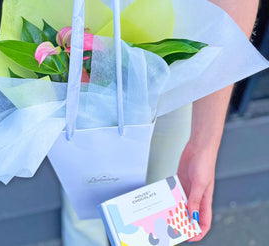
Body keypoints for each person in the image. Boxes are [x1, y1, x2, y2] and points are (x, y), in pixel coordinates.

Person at [61, 0, 260, 245]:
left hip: (174, 58)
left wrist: (204, 145)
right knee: (88, 206)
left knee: (157, 207)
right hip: (81, 46)